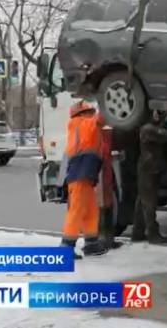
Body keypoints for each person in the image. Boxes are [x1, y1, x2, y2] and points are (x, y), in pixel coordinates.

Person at [61, 100, 109, 258]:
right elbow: (100, 119)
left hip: (85, 174)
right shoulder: (82, 124)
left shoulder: (80, 125)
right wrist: (106, 102)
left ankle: (91, 244)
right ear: (81, 114)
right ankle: (66, 248)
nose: (92, 114)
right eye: (90, 111)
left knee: (90, 210)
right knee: (76, 211)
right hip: (81, 173)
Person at [132, 110, 167, 244]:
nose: (157, 115)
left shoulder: (149, 128)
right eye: (155, 113)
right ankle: (153, 234)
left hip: (150, 168)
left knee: (143, 202)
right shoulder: (148, 129)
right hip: (149, 169)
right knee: (149, 203)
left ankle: (137, 233)